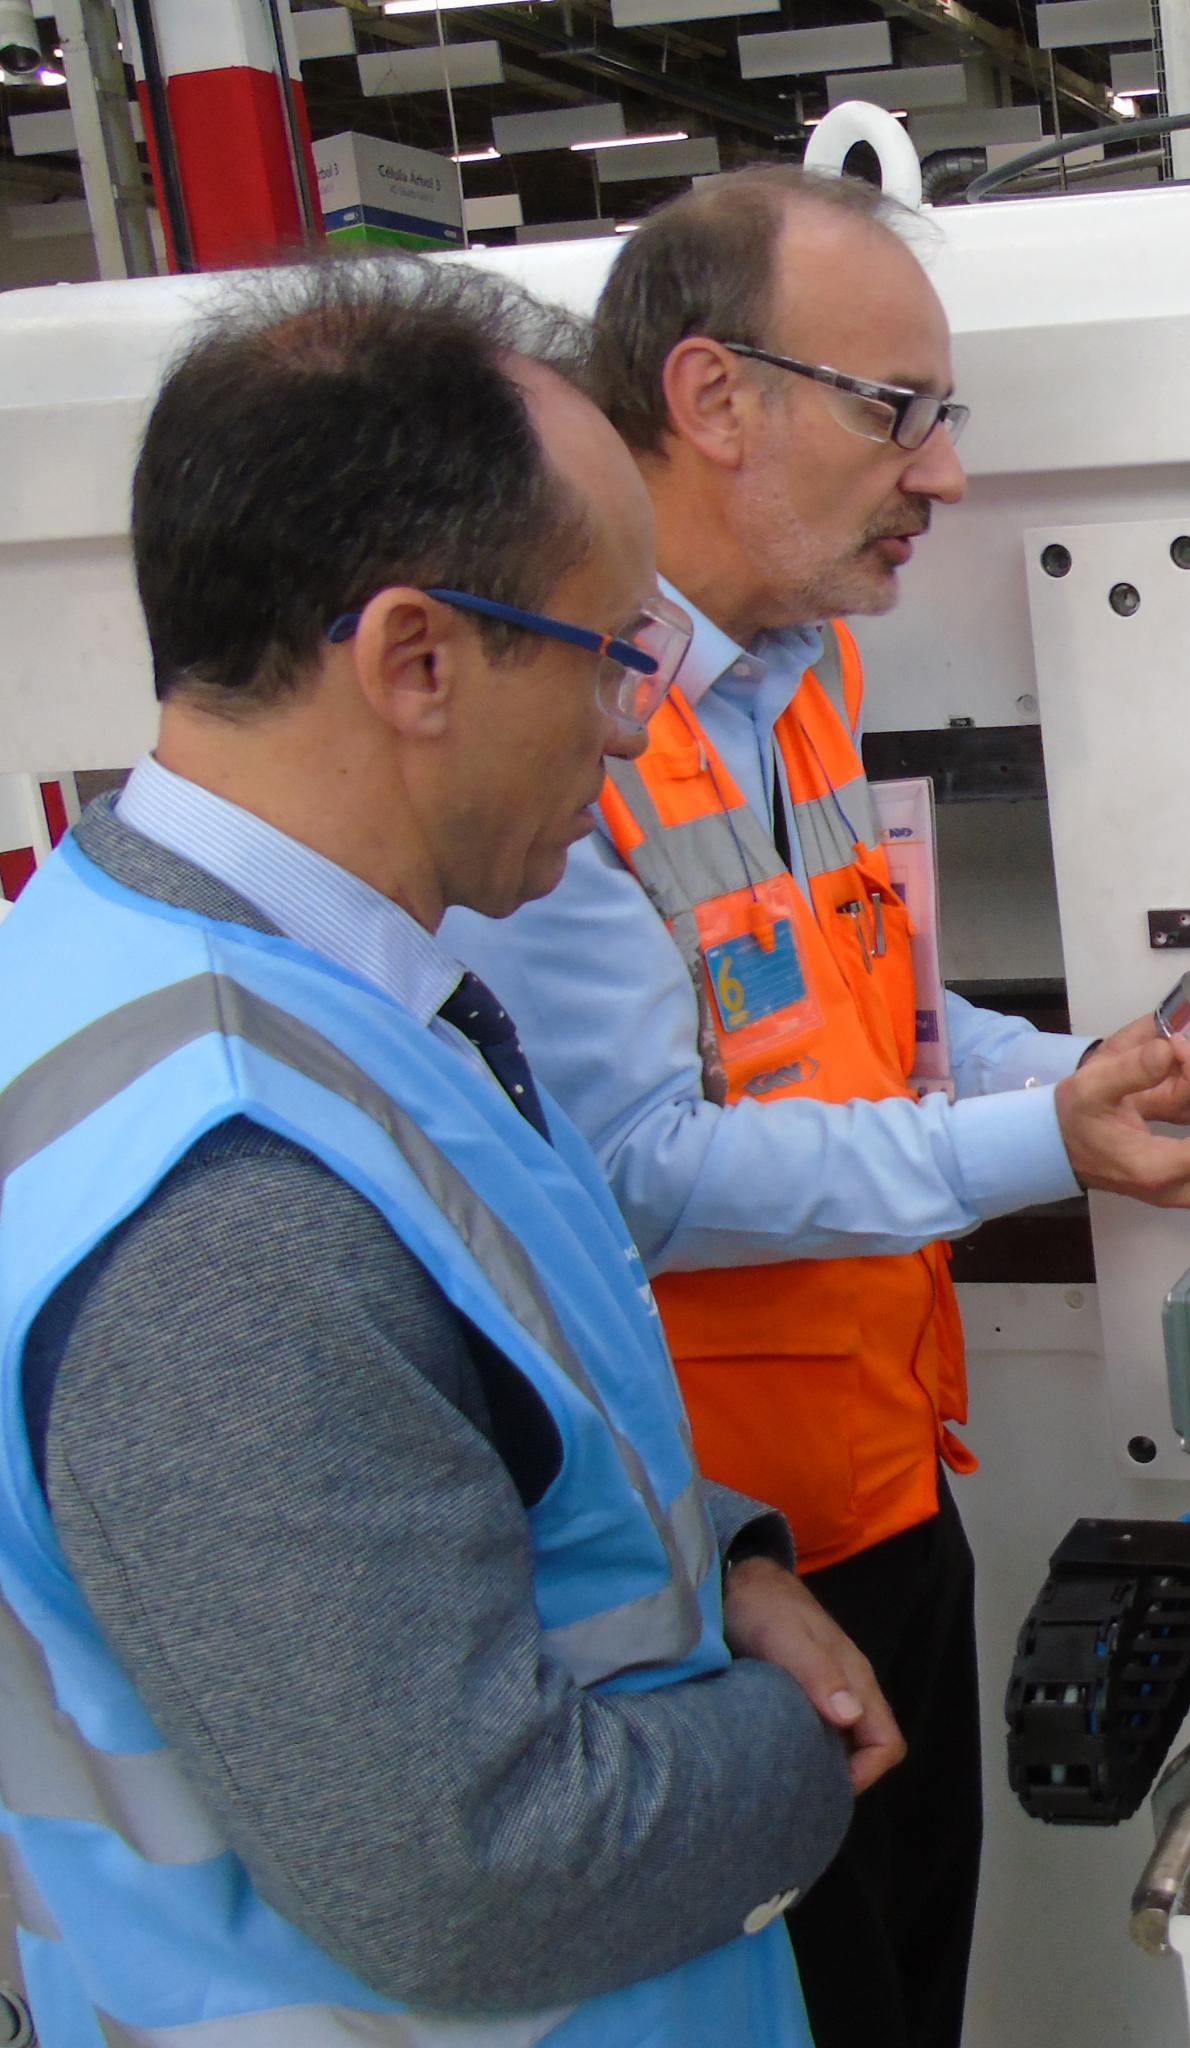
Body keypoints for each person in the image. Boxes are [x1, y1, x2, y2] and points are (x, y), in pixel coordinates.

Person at [442, 167, 1190, 2048]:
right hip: (705, 1564)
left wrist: (1088, 1072)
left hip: (889, 1493)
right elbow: (627, 1176)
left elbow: (883, 1024)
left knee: (912, 1993)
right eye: (897, 412)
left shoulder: (800, 681)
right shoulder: (563, 730)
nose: (947, 475)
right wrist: (1046, 1146)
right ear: (712, 396)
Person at [0, 258, 896, 2043]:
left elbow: (464, 1416)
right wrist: (794, 1749)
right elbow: (475, 1873)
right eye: (612, 653)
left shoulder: (266, 981)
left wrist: (722, 1564)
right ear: (416, 660)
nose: (635, 723)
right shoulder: (226, 1205)